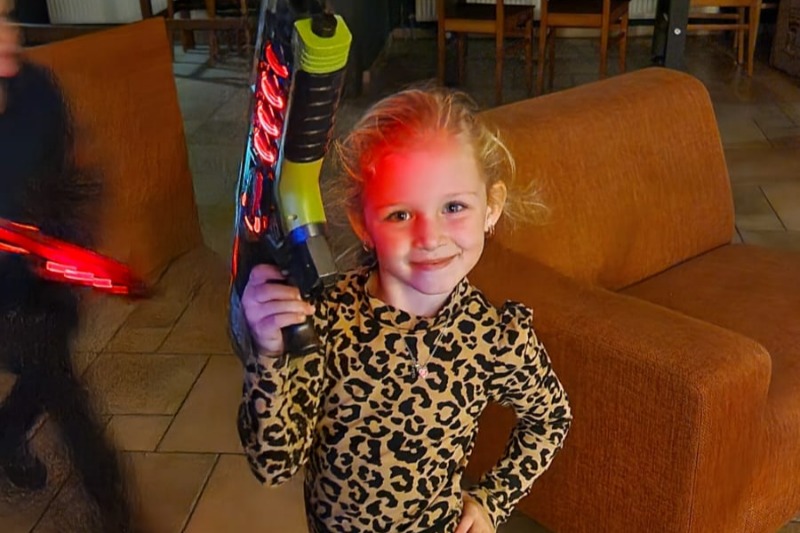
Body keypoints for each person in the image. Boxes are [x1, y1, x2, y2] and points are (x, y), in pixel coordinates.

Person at [237, 86, 572, 533]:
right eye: (400, 214)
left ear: (491, 208)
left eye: (453, 207)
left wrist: (493, 500)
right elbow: (273, 464)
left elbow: (551, 417)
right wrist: (269, 355)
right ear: (363, 223)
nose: (430, 237)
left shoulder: (494, 337)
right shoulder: (325, 321)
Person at [0, 5, 134, 531]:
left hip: (46, 270)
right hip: (4, 291)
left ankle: (7, 434)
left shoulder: (36, 88)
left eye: (7, 15)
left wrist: (77, 245)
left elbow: (67, 171)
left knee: (45, 365)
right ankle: (113, 500)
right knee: (58, 381)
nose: (9, 34)